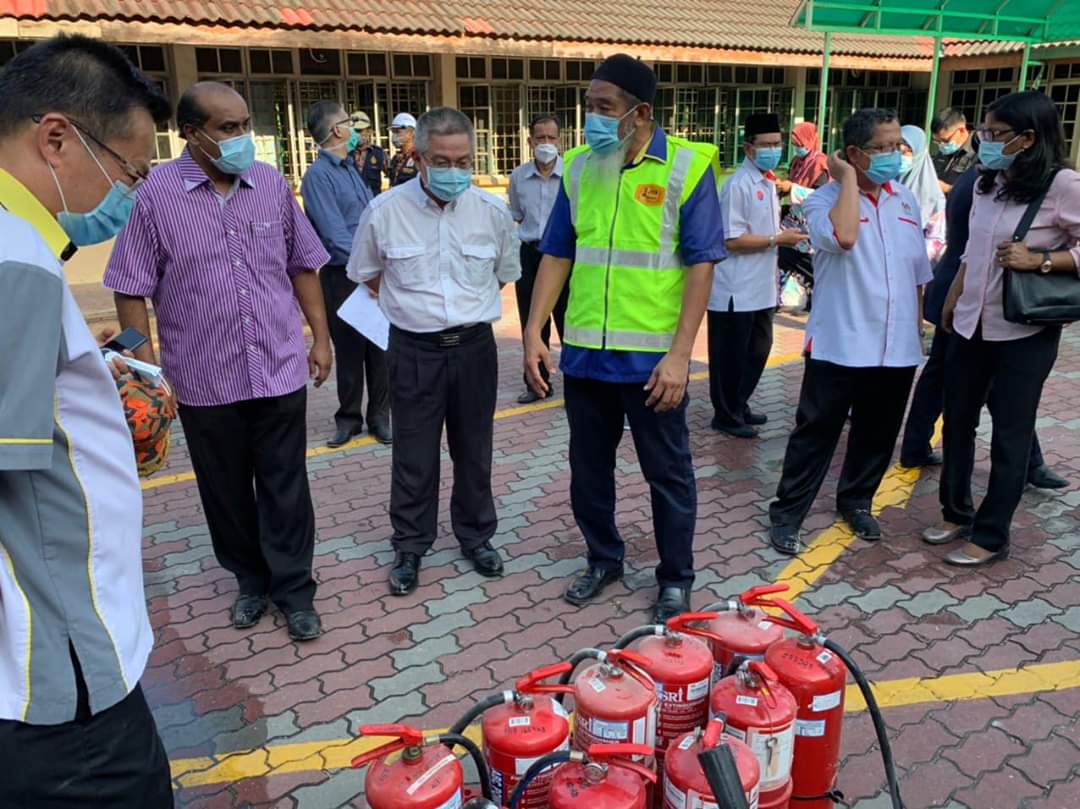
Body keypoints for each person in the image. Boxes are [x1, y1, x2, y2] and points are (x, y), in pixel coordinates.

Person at [0, 34, 174, 807]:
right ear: (58, 136)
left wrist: (83, 389)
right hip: (63, 669)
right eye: (129, 171)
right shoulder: (17, 260)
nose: (129, 193)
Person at [105, 82, 332, 641]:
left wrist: (321, 337)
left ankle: (294, 589)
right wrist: (146, 368)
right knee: (224, 489)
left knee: (285, 484)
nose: (242, 139)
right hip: (203, 380)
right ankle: (250, 581)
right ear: (191, 134)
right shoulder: (156, 195)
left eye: (245, 125)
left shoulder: (272, 188)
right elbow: (129, 287)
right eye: (228, 129)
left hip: (277, 366)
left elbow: (303, 264)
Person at [523, 54, 726, 622]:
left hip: (652, 363)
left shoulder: (686, 167)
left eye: (604, 108)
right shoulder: (581, 167)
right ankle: (603, 558)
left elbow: (702, 263)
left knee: (668, 474)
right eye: (588, 106)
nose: (592, 118)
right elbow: (557, 252)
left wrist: (681, 356)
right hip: (586, 355)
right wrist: (535, 333)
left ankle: (675, 578)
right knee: (588, 470)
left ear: (640, 113)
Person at [348, 107, 520, 596]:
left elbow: (504, 273)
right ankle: (410, 545)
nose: (453, 172)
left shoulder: (491, 212)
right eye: (442, 161)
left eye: (463, 161)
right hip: (413, 350)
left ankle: (476, 536)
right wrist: (415, 308)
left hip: (473, 348)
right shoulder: (385, 211)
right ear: (419, 158)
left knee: (474, 449)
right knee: (414, 455)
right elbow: (368, 273)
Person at [768, 108, 932, 554]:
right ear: (855, 154)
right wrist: (843, 178)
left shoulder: (905, 200)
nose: (895, 154)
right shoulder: (822, 201)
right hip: (840, 343)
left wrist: (916, 332)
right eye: (882, 147)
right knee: (815, 433)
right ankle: (788, 513)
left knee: (878, 432)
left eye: (897, 145)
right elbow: (843, 237)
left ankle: (856, 501)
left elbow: (917, 272)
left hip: (895, 346)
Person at [928, 91, 1080, 566]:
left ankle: (992, 535)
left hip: (1024, 332)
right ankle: (956, 513)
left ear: (1029, 138)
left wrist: (1042, 261)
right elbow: (972, 249)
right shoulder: (985, 182)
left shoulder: (1063, 185)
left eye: (996, 135)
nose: (985, 142)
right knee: (957, 423)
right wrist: (953, 299)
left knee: (1011, 435)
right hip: (971, 321)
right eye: (984, 133)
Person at [898, 162, 1065, 487]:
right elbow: (976, 248)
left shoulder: (974, 181)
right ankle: (1030, 464)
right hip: (970, 293)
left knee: (942, 377)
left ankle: (916, 445)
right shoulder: (988, 185)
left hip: (960, 288)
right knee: (991, 391)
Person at [708, 112, 808, 438]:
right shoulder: (738, 185)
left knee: (758, 349)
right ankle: (726, 413)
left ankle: (739, 403)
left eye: (777, 143)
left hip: (761, 287)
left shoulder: (766, 181)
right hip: (735, 288)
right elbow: (729, 239)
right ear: (748, 148)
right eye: (765, 144)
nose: (773, 149)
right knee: (731, 356)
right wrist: (775, 239)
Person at [302, 101, 391, 448]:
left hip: (372, 269)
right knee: (351, 350)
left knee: (379, 347)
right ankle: (349, 418)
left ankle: (380, 417)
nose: (353, 129)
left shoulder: (350, 168)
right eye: (347, 123)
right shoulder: (317, 176)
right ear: (337, 131)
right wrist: (367, 269)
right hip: (343, 276)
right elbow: (334, 235)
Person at [509, 113, 568, 404]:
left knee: (570, 321)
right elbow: (517, 215)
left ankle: (580, 385)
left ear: (560, 140)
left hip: (566, 256)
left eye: (551, 137)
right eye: (540, 138)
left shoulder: (573, 174)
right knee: (532, 321)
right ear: (530, 141)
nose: (546, 143)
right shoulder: (518, 177)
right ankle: (538, 384)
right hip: (531, 254)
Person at [899, 124, 946, 263]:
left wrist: (915, 266)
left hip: (912, 267)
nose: (899, 157)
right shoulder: (883, 184)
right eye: (895, 149)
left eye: (906, 152)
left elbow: (935, 238)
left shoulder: (932, 195)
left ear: (919, 154)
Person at [931, 107, 978, 194]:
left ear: (961, 131)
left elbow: (979, 192)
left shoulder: (978, 152)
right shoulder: (943, 151)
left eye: (945, 140)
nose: (941, 145)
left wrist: (948, 189)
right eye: (937, 141)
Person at [788, 121, 831, 197]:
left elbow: (820, 195)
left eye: (799, 145)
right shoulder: (796, 161)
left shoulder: (820, 164)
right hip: (797, 208)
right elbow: (790, 181)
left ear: (809, 141)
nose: (796, 148)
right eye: (794, 144)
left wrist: (792, 188)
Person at [351, 111, 386, 197]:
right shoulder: (345, 154)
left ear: (369, 131)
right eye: (354, 131)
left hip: (373, 204)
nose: (356, 134)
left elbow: (393, 176)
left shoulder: (379, 153)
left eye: (359, 130)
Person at [387, 112, 419, 187]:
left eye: (398, 132)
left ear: (411, 133)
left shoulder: (419, 158)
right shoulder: (396, 159)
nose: (394, 136)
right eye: (393, 132)